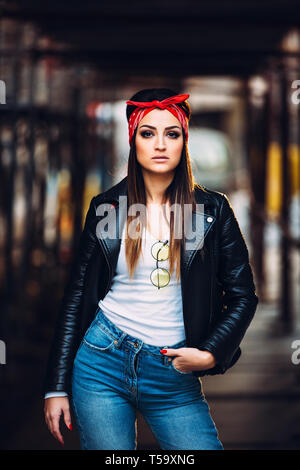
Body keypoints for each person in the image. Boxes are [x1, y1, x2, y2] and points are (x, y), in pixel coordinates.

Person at [43, 89, 259, 450]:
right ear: (134, 141)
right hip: (101, 365)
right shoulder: (105, 208)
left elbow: (243, 296)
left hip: (172, 374)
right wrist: (56, 385)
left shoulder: (213, 211)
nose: (160, 144)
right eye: (148, 133)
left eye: (171, 133)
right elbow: (76, 298)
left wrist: (211, 353)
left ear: (183, 142)